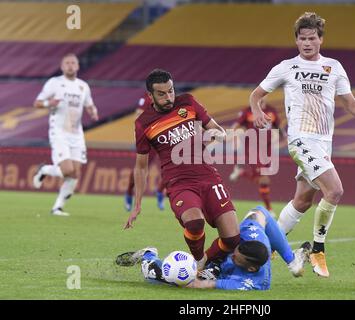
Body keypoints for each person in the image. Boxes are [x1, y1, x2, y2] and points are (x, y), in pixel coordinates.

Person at [249, 12, 355, 278]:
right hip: (300, 140)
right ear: (296, 41)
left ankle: (265, 245)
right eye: (302, 39)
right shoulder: (287, 67)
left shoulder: (334, 67)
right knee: (334, 191)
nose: (307, 43)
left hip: (323, 143)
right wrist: (258, 110)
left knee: (302, 201)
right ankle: (318, 249)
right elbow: (257, 94)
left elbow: (349, 102)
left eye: (312, 38)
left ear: (321, 40)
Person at [124, 69, 240, 270]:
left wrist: (215, 135)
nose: (169, 97)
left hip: (209, 177)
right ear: (150, 96)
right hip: (179, 183)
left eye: (171, 91)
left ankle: (203, 264)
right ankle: (199, 264)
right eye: (162, 94)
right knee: (194, 223)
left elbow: (216, 129)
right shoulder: (143, 123)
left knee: (232, 239)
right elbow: (141, 168)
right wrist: (137, 205)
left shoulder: (188, 102)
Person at [116, 206, 311, 290]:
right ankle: (293, 260)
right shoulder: (251, 234)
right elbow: (260, 211)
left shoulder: (252, 283)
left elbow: (200, 285)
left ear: (250, 269)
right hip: (219, 260)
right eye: (236, 250)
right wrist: (289, 258)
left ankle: (148, 256)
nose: (233, 255)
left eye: (237, 257)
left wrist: (184, 275)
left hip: (219, 273)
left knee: (172, 280)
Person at [32, 53, 99, 216]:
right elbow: (37, 103)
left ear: (77, 66)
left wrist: (93, 111)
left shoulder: (83, 86)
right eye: (67, 63)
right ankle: (44, 170)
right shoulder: (54, 83)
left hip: (77, 135)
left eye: (73, 63)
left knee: (75, 174)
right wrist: (49, 103)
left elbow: (89, 104)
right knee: (68, 170)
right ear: (62, 67)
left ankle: (57, 207)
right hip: (59, 132)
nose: (70, 65)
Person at [229, 97, 286, 214]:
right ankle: (269, 209)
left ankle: (242, 173)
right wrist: (230, 134)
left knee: (261, 179)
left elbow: (278, 126)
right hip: (253, 148)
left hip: (267, 148)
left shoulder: (271, 110)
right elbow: (236, 124)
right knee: (264, 179)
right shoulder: (248, 111)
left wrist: (285, 137)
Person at [124, 93, 166, 212]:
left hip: (165, 137)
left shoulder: (170, 98)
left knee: (171, 166)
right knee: (141, 167)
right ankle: (128, 192)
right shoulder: (147, 98)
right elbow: (138, 115)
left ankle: (160, 192)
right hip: (150, 137)